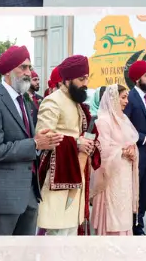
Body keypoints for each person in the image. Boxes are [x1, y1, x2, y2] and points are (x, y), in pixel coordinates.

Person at [0, 45, 59, 235]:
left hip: (29, 194)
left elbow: (26, 140)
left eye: (29, 68)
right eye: (22, 67)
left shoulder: (24, 100)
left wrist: (41, 141)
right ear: (8, 70)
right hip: (4, 198)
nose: (28, 73)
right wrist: (35, 144)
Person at [35, 55, 96, 235]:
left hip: (75, 173)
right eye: (81, 79)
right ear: (67, 80)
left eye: (87, 78)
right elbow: (43, 137)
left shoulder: (75, 103)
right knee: (57, 234)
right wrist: (77, 142)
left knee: (70, 232)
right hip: (58, 177)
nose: (85, 83)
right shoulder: (53, 100)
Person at [90, 84, 139, 236]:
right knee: (112, 216)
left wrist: (133, 151)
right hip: (110, 178)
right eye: (123, 98)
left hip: (124, 175)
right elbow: (102, 151)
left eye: (126, 98)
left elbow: (132, 142)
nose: (126, 102)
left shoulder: (123, 119)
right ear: (113, 98)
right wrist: (123, 152)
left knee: (123, 214)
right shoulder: (103, 121)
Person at [123, 59, 146, 235]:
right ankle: (133, 225)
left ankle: (139, 222)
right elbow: (124, 128)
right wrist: (145, 139)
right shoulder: (129, 98)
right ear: (137, 78)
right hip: (136, 152)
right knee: (135, 191)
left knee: (145, 190)